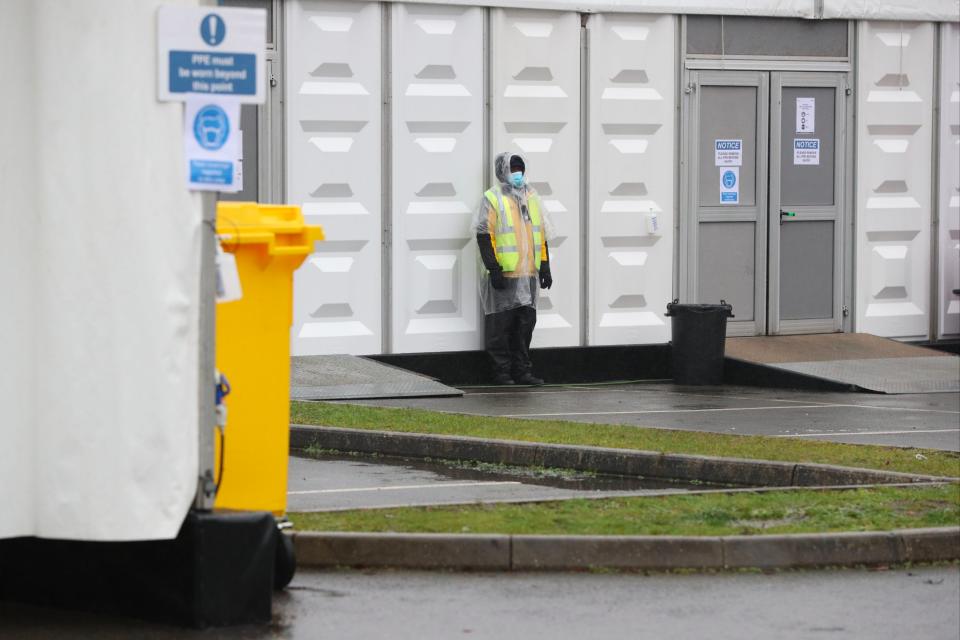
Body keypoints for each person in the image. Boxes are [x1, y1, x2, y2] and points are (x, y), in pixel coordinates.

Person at [471, 152, 552, 386]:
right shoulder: (492, 198)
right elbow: (484, 234)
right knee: (501, 327)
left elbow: (541, 233)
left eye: (520, 168)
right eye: (512, 168)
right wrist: (493, 268)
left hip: (528, 275)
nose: (517, 173)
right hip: (504, 275)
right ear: (502, 171)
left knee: (525, 326)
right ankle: (501, 373)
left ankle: (522, 371)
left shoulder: (532, 197)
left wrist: (545, 266)